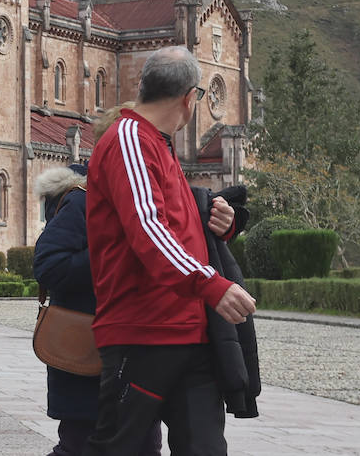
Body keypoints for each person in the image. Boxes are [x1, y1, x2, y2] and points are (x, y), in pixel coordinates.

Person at [84, 46, 254, 456]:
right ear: (189, 98)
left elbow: (174, 226)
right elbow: (148, 230)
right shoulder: (129, 139)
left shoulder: (159, 145)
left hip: (190, 335)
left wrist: (221, 225)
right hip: (142, 337)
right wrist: (212, 285)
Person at [34, 105, 160, 456]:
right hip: (87, 353)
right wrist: (122, 253)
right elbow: (48, 265)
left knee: (144, 445)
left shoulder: (148, 199)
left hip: (137, 354)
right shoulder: (82, 201)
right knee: (80, 447)